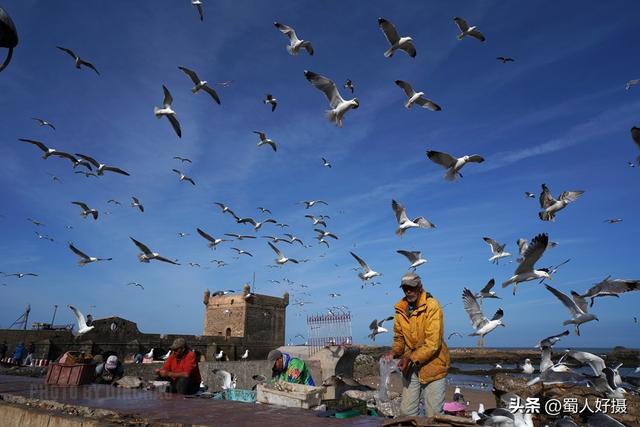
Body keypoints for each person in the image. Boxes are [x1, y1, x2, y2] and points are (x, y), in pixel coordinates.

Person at [383, 272, 450, 417]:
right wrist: (393, 352)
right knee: (406, 413)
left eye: (411, 287)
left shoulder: (432, 306)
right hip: (411, 368)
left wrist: (410, 358)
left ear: (420, 287)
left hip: (434, 367)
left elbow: (433, 344)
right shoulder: (400, 310)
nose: (408, 291)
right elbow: (399, 338)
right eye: (405, 288)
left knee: (433, 415)